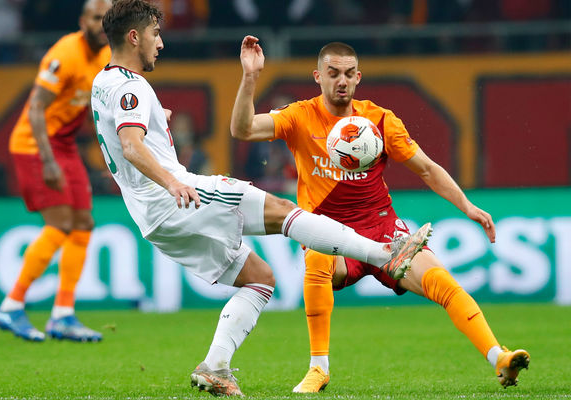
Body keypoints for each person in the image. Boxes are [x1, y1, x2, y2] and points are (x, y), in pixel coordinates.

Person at [91, 1, 431, 396]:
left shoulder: (103, 82)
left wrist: (156, 118)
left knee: (260, 279)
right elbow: (131, 146)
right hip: (177, 197)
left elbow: (124, 132)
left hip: (150, 216)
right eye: (155, 34)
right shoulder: (132, 86)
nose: (160, 43)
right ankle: (385, 254)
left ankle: (215, 366)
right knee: (284, 211)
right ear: (134, 37)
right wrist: (171, 182)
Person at [231, 36, 531, 392]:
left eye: (348, 74)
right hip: (330, 231)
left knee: (441, 280)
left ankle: (498, 357)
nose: (341, 80)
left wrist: (468, 206)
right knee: (317, 258)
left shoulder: (380, 120)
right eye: (333, 73)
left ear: (358, 77)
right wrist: (250, 76)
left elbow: (426, 168)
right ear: (318, 77)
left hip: (382, 229)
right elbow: (242, 129)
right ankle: (318, 369)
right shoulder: (299, 116)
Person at [0, 0, 112, 342]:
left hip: (65, 144)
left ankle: (62, 314)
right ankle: (11, 305)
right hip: (36, 144)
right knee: (60, 225)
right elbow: (35, 110)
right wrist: (47, 161)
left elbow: (96, 110)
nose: (101, 25)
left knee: (83, 224)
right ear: (82, 21)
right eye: (95, 18)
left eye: (107, 19)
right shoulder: (65, 54)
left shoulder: (106, 56)